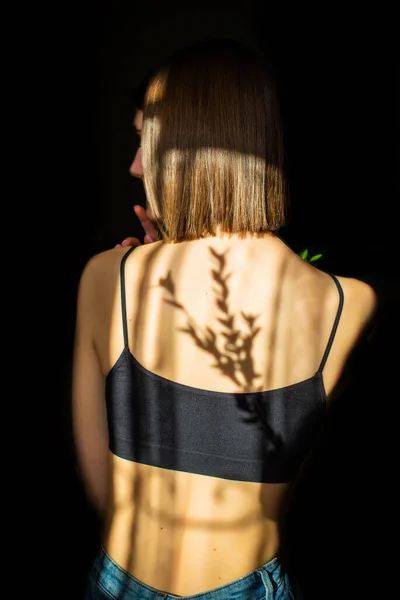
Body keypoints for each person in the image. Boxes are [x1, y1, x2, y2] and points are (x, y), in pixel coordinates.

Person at [72, 38, 378, 600]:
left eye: (147, 141)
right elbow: (276, 475)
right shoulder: (350, 302)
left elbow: (104, 490)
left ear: (191, 145)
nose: (134, 166)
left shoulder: (106, 279)